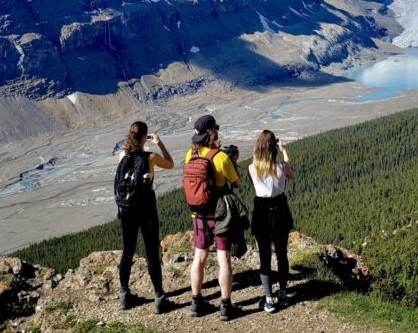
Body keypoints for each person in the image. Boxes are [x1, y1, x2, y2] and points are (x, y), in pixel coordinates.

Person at [184, 114, 241, 321]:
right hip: (219, 215)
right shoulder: (220, 157)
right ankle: (225, 306)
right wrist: (232, 162)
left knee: (199, 257)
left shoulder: (190, 155)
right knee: (223, 258)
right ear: (212, 132)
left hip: (198, 215)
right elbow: (236, 184)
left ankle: (196, 302)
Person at [114, 121, 174, 313]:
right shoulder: (151, 157)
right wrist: (160, 143)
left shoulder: (122, 155)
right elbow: (171, 163)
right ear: (144, 137)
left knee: (128, 250)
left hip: (125, 209)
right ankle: (159, 297)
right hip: (146, 209)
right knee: (151, 252)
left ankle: (124, 295)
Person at [248, 130, 295, 313]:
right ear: (274, 147)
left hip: (261, 212)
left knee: (264, 256)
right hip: (280, 211)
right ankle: (282, 293)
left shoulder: (252, 168)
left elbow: (255, 182)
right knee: (282, 253)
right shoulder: (282, 166)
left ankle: (268, 298)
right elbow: (291, 174)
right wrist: (283, 151)